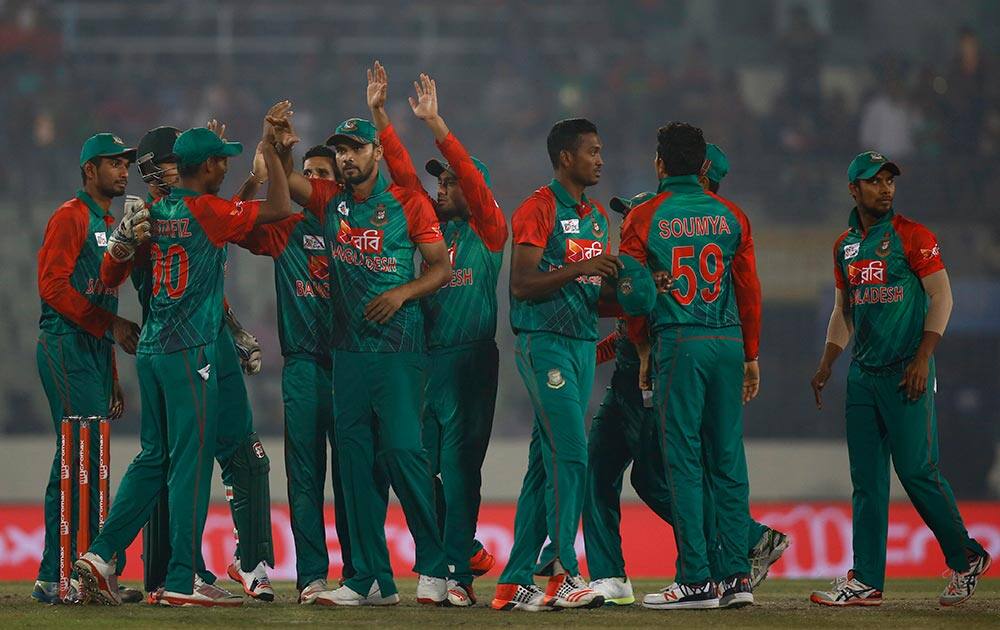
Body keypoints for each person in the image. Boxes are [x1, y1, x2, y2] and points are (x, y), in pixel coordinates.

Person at [75, 109, 294, 607]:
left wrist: (233, 327)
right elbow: (241, 218)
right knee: (191, 465)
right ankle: (180, 576)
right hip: (189, 348)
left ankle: (103, 554)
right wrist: (259, 167)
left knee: (159, 457)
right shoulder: (188, 210)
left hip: (155, 346)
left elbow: (117, 274)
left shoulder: (153, 213)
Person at [274, 107, 452, 607]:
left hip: (398, 349)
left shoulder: (409, 203)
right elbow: (288, 181)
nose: (347, 158)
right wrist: (282, 142)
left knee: (400, 453)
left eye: (355, 149)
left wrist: (402, 294)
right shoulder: (331, 203)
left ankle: (436, 568)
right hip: (347, 353)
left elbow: (440, 268)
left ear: (377, 152)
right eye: (341, 151)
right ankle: (370, 580)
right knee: (353, 464)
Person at [809, 151, 991, 607]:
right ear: (854, 189)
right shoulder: (845, 246)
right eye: (874, 181)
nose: (885, 188)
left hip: (907, 372)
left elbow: (942, 297)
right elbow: (843, 311)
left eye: (890, 180)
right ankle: (866, 579)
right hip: (863, 378)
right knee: (866, 482)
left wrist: (923, 357)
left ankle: (966, 556)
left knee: (916, 472)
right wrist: (829, 360)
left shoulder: (914, 236)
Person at [366, 63, 506, 607]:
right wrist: (381, 118)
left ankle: (457, 577)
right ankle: (458, 549)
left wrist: (437, 126)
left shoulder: (489, 230)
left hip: (471, 362)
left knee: (462, 467)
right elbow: (401, 178)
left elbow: (469, 175)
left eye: (450, 182)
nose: (442, 188)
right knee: (419, 467)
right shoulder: (430, 229)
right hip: (425, 362)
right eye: (440, 181)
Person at [621, 122, 762, 610]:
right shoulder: (732, 216)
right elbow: (748, 292)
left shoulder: (643, 217)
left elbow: (634, 294)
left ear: (659, 164)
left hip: (679, 340)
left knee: (681, 458)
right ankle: (737, 578)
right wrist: (751, 354)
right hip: (727, 340)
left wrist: (641, 348)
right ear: (704, 167)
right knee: (727, 458)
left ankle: (696, 580)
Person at [493, 118, 618, 612]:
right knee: (572, 454)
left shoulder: (594, 218)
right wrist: (582, 267)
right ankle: (563, 571)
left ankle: (513, 580)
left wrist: (638, 298)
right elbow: (522, 284)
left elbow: (590, 292)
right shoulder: (537, 208)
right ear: (566, 157)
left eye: (601, 150)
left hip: (582, 344)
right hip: (543, 344)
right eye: (592, 150)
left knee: (543, 469)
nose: (600, 159)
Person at [235, 142, 356, 604]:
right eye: (306, 173)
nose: (312, 182)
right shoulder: (285, 226)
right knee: (305, 477)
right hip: (305, 365)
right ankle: (311, 577)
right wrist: (256, 180)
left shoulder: (357, 230)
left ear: (337, 185)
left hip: (351, 366)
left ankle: (358, 574)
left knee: (352, 476)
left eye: (321, 174)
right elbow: (232, 222)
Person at [32, 133, 141, 604]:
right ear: (88, 171)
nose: (123, 170)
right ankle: (65, 577)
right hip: (64, 344)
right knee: (78, 457)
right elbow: (52, 286)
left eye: (125, 163)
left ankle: (66, 575)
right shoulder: (70, 216)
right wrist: (110, 325)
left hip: (93, 351)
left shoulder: (110, 222)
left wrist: (112, 374)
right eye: (112, 163)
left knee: (80, 459)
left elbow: (105, 297)